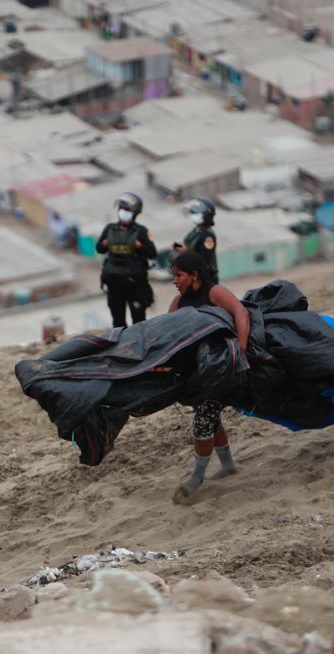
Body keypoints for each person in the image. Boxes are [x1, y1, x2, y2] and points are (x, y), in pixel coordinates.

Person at [168, 252, 249, 503]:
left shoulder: (214, 293)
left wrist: (241, 352)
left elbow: (241, 313)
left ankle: (195, 478)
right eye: (173, 275)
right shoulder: (177, 303)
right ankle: (228, 465)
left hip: (223, 368)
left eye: (179, 275)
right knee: (210, 417)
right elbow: (166, 335)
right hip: (199, 374)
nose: (175, 280)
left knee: (203, 419)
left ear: (194, 275)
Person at [95, 192, 158, 328]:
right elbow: (99, 249)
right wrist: (104, 243)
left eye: (128, 210)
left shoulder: (141, 231)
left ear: (135, 213)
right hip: (114, 282)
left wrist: (139, 246)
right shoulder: (110, 229)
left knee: (139, 320)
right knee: (117, 320)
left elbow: (152, 253)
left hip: (134, 283)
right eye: (122, 209)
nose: (124, 213)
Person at [172, 197, 219, 286]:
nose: (193, 215)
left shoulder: (208, 236)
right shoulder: (197, 230)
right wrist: (177, 246)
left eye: (195, 213)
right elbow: (189, 245)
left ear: (206, 215)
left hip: (205, 280)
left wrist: (186, 251)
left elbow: (204, 259)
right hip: (195, 276)